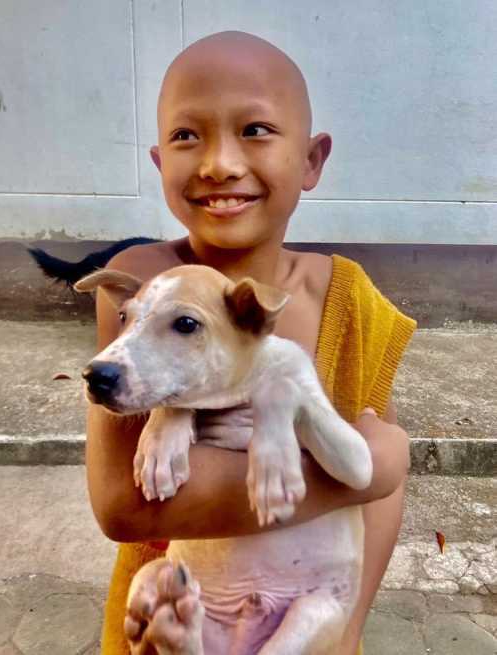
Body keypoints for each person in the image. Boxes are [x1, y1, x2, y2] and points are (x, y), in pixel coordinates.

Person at [87, 31, 416, 655]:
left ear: (313, 159)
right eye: (188, 136)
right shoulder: (142, 287)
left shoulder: (348, 297)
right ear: (159, 163)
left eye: (257, 129)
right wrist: (367, 473)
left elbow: (382, 495)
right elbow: (123, 507)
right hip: (176, 623)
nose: (218, 163)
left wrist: (347, 628)